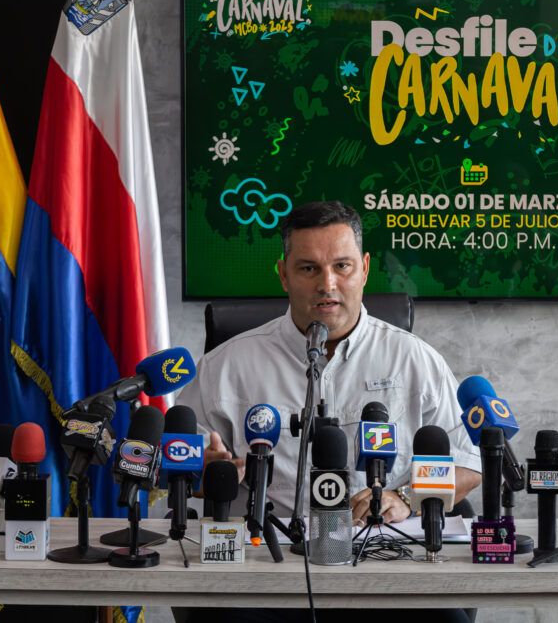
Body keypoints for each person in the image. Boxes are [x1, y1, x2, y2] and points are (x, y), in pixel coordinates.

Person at [176, 201, 478, 623]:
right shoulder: (225, 366)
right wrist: (202, 473)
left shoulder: (415, 361)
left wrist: (407, 498)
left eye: (342, 266)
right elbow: (175, 466)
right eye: (308, 269)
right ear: (283, 274)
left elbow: (466, 464)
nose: (328, 284)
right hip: (264, 573)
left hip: (385, 565)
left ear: (365, 269)